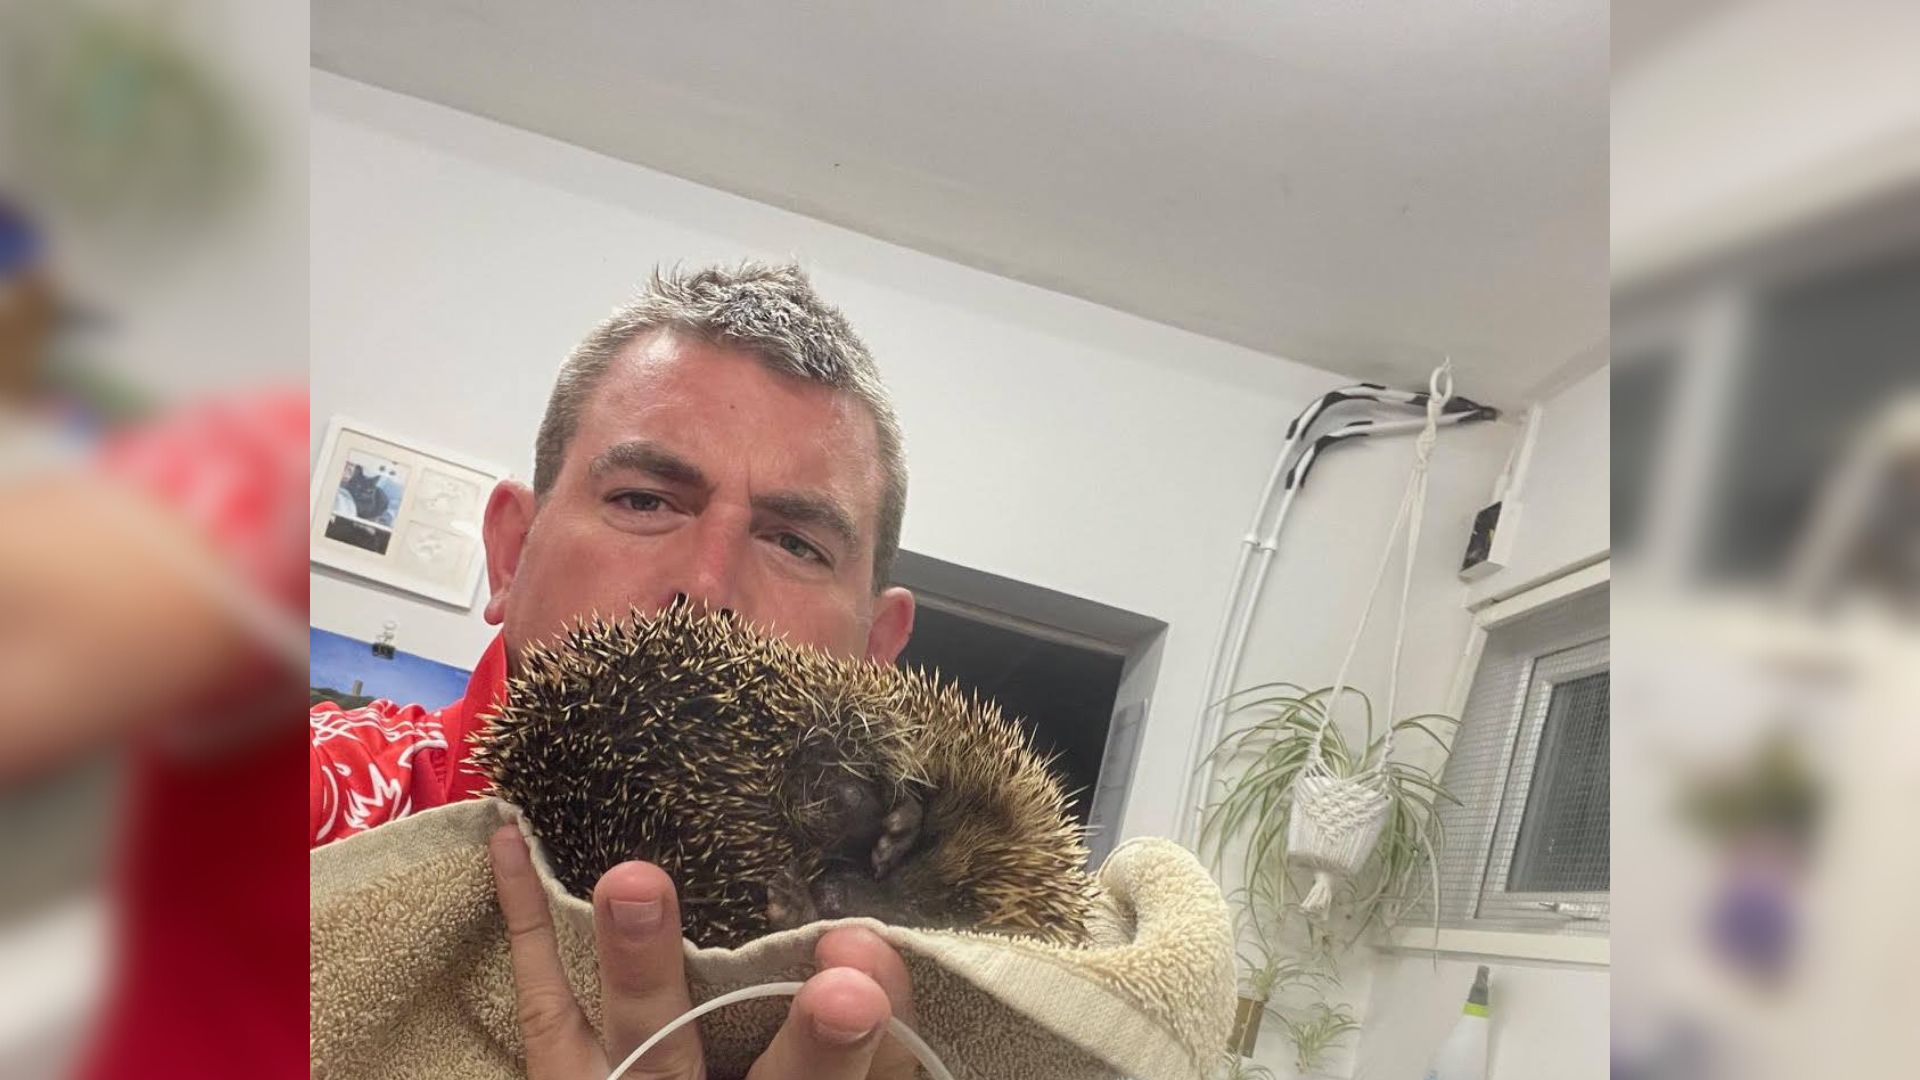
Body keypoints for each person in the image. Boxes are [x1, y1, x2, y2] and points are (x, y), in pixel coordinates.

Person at [310, 262, 925, 1079]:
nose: (706, 589)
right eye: (643, 500)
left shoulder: (943, 947)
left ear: (876, 651)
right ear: (509, 553)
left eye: (794, 544)